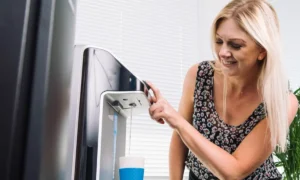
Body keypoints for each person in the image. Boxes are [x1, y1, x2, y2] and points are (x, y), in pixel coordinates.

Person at [146, 0, 299, 179]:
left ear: (262, 50)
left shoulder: (281, 102)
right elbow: (180, 141)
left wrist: (178, 122)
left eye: (235, 45)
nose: (223, 52)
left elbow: (235, 171)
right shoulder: (199, 75)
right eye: (219, 41)